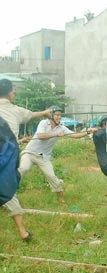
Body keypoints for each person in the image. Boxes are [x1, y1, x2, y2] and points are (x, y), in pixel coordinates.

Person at [0, 78, 51, 241]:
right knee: (7, 191)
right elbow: (31, 115)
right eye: (13, 91)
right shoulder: (15, 110)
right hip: (6, 159)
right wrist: (44, 113)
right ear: (10, 93)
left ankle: (23, 232)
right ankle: (23, 233)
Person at [18, 105, 97, 204]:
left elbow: (74, 135)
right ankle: (9, 192)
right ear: (51, 115)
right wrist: (55, 134)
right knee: (23, 169)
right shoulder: (43, 123)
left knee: (52, 176)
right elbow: (41, 136)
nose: (59, 117)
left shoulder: (62, 128)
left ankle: (60, 199)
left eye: (60, 115)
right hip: (29, 152)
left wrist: (88, 131)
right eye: (57, 115)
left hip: (44, 157)